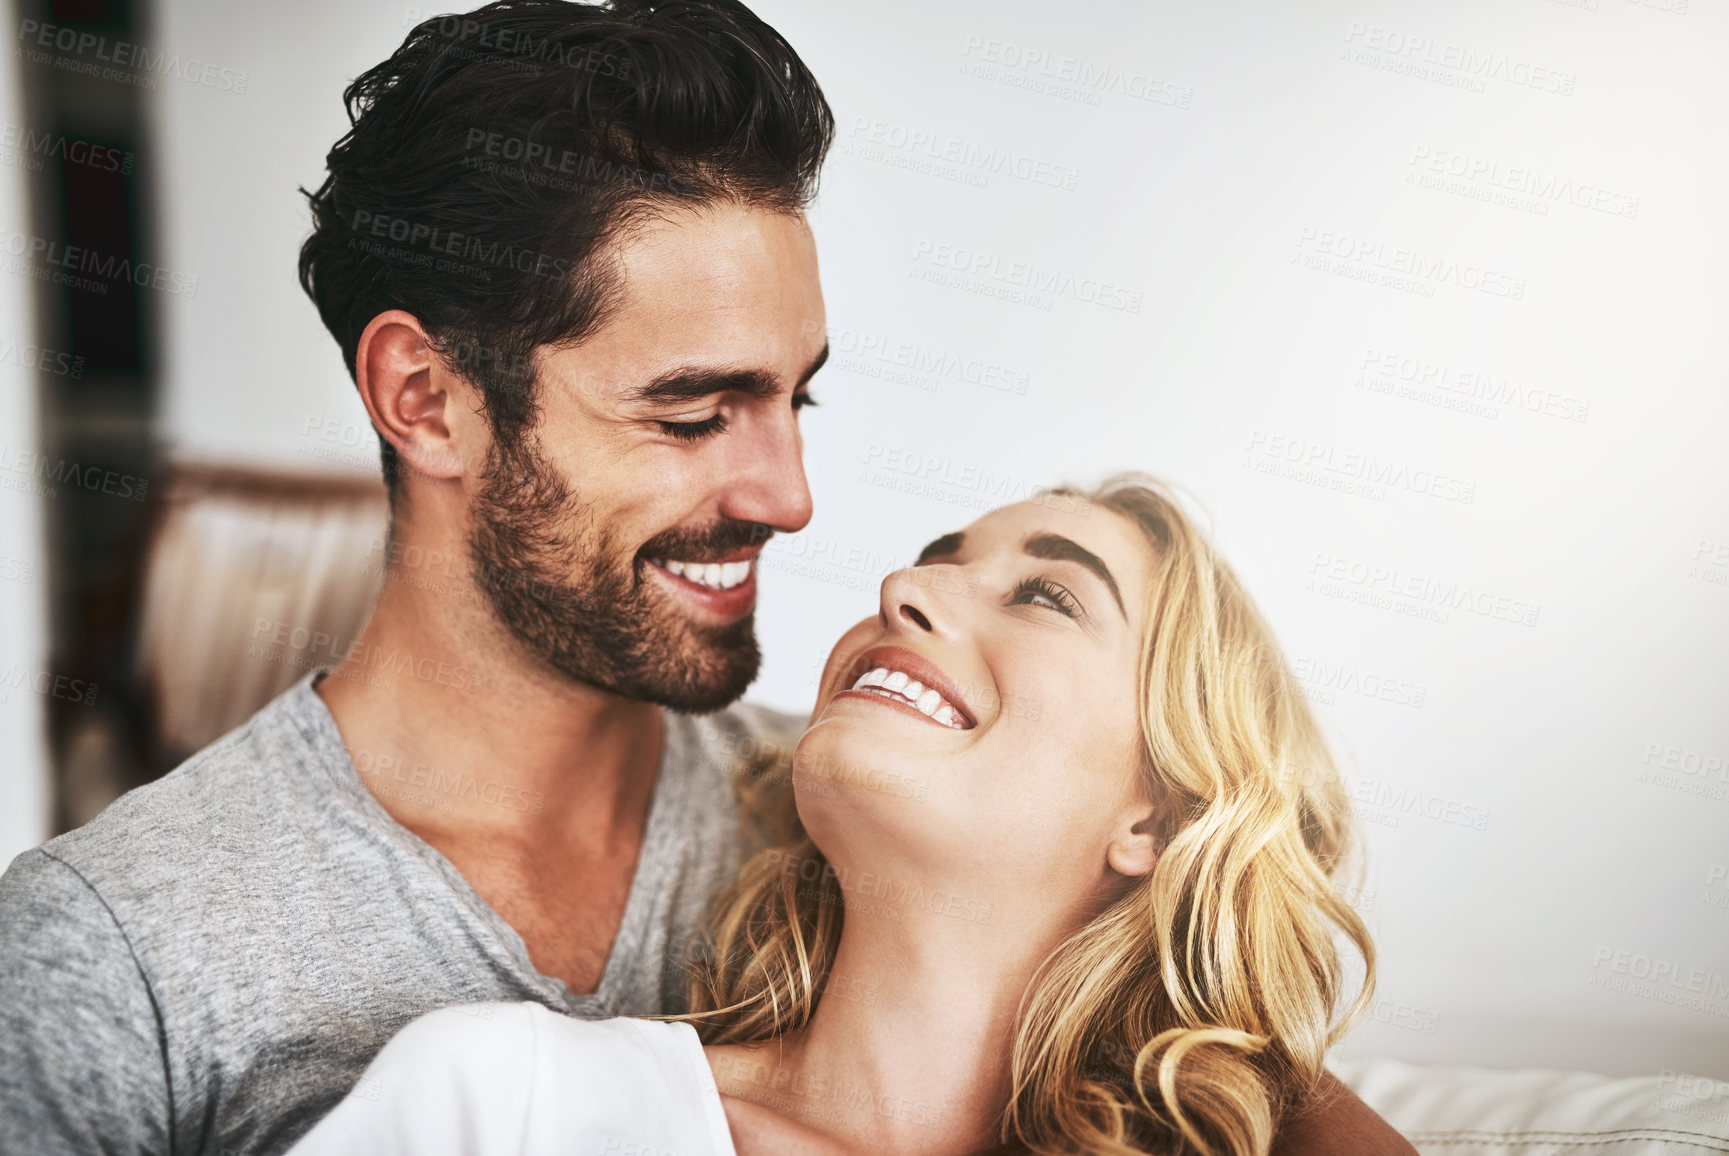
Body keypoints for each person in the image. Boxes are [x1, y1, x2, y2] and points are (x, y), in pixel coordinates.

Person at [0, 2, 1401, 1153]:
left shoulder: (846, 825)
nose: (788, 498)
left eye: (798, 401)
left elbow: (1215, 1077)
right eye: (690, 413)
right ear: (427, 400)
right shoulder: (115, 949)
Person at [288, 477, 1416, 1155]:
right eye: (932, 564)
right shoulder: (511, 1101)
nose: (903, 591)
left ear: (1158, 818)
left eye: (1045, 594)